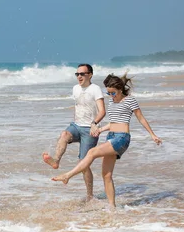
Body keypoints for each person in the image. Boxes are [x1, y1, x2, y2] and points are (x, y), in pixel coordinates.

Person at [51, 73, 162, 208]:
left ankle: (68, 175)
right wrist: (100, 129)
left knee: (91, 152)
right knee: (106, 175)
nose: (111, 96)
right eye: (109, 93)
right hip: (111, 136)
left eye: (113, 93)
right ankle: (112, 208)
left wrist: (152, 135)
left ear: (120, 90)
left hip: (122, 138)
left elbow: (141, 118)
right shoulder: (111, 102)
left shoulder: (130, 100)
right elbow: (113, 122)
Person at [42, 63, 105, 201]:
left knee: (84, 164)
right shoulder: (75, 88)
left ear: (90, 75)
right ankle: (56, 161)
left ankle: (89, 196)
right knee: (64, 135)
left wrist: (94, 124)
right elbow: (79, 106)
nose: (79, 76)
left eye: (82, 74)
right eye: (77, 74)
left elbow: (102, 111)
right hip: (76, 126)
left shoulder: (95, 89)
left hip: (90, 129)